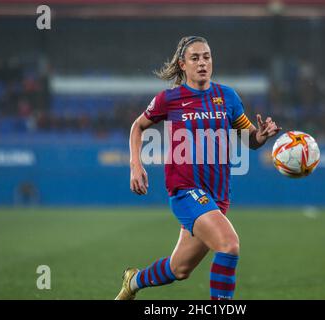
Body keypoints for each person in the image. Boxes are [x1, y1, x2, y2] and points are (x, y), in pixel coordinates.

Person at [115, 36, 281, 300]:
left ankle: (133, 281)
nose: (202, 63)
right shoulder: (169, 99)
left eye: (207, 56)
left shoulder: (227, 96)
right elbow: (138, 126)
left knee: (179, 268)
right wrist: (136, 164)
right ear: (183, 64)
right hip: (186, 192)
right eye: (195, 58)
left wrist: (261, 135)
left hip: (217, 197)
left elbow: (249, 138)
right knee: (229, 245)